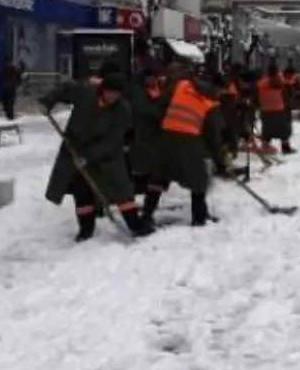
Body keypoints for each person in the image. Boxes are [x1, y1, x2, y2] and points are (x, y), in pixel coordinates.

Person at [42, 68, 154, 242]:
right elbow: (64, 89)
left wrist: (87, 157)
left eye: (116, 94)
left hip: (107, 154)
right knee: (81, 190)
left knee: (121, 188)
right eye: (110, 92)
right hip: (75, 147)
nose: (112, 97)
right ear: (103, 89)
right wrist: (48, 101)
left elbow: (112, 141)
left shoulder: (122, 110)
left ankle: (135, 224)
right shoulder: (85, 92)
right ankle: (86, 229)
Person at [160, 65, 227, 226]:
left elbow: (163, 101)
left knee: (160, 173)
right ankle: (199, 218)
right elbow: (214, 135)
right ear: (216, 89)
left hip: (166, 132)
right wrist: (219, 159)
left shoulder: (184, 85)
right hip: (188, 136)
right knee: (198, 177)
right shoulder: (211, 101)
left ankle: (147, 214)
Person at [128, 65, 171, 224]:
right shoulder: (138, 93)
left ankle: (147, 212)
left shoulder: (159, 90)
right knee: (140, 179)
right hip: (143, 142)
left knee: (157, 179)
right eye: (149, 77)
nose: (152, 80)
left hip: (158, 143)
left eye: (154, 77)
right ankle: (133, 213)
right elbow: (147, 110)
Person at [256, 61, 294, 154]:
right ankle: (285, 147)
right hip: (278, 109)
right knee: (283, 129)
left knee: (267, 128)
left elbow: (257, 95)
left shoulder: (261, 82)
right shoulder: (279, 82)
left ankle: (265, 145)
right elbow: (284, 96)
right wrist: (288, 107)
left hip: (265, 109)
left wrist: (258, 104)